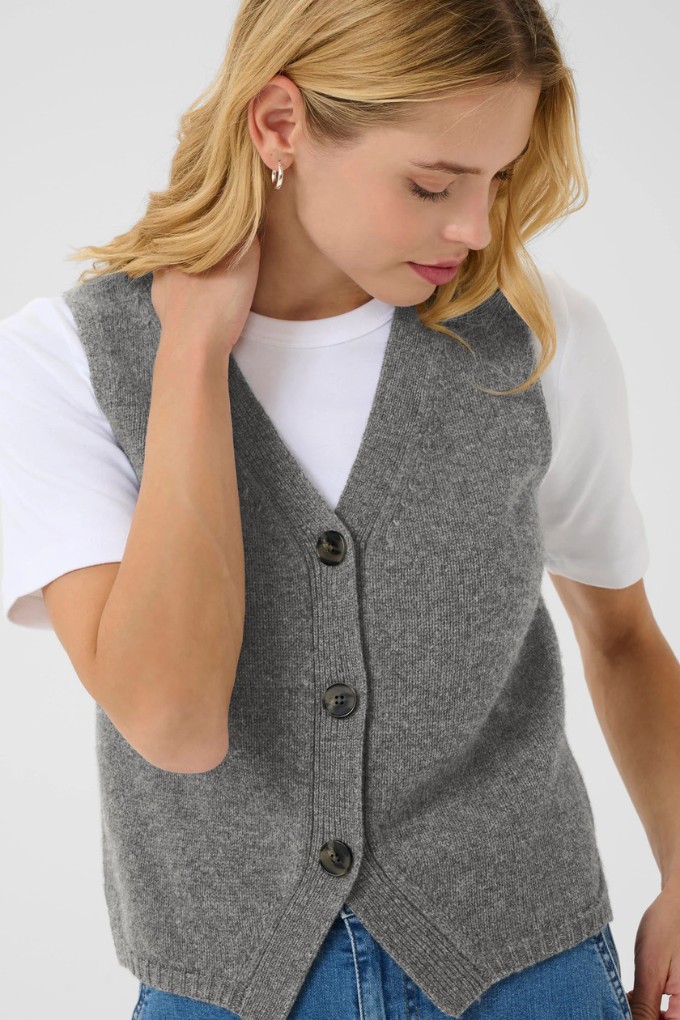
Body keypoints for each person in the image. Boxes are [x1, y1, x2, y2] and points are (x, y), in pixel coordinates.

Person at [0, 1, 678, 1018]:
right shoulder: (69, 362)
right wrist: (191, 353)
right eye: (432, 184)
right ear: (280, 124)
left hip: (528, 972)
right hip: (225, 991)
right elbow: (174, 723)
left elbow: (621, 637)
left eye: (497, 179)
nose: (474, 227)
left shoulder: (537, 341)